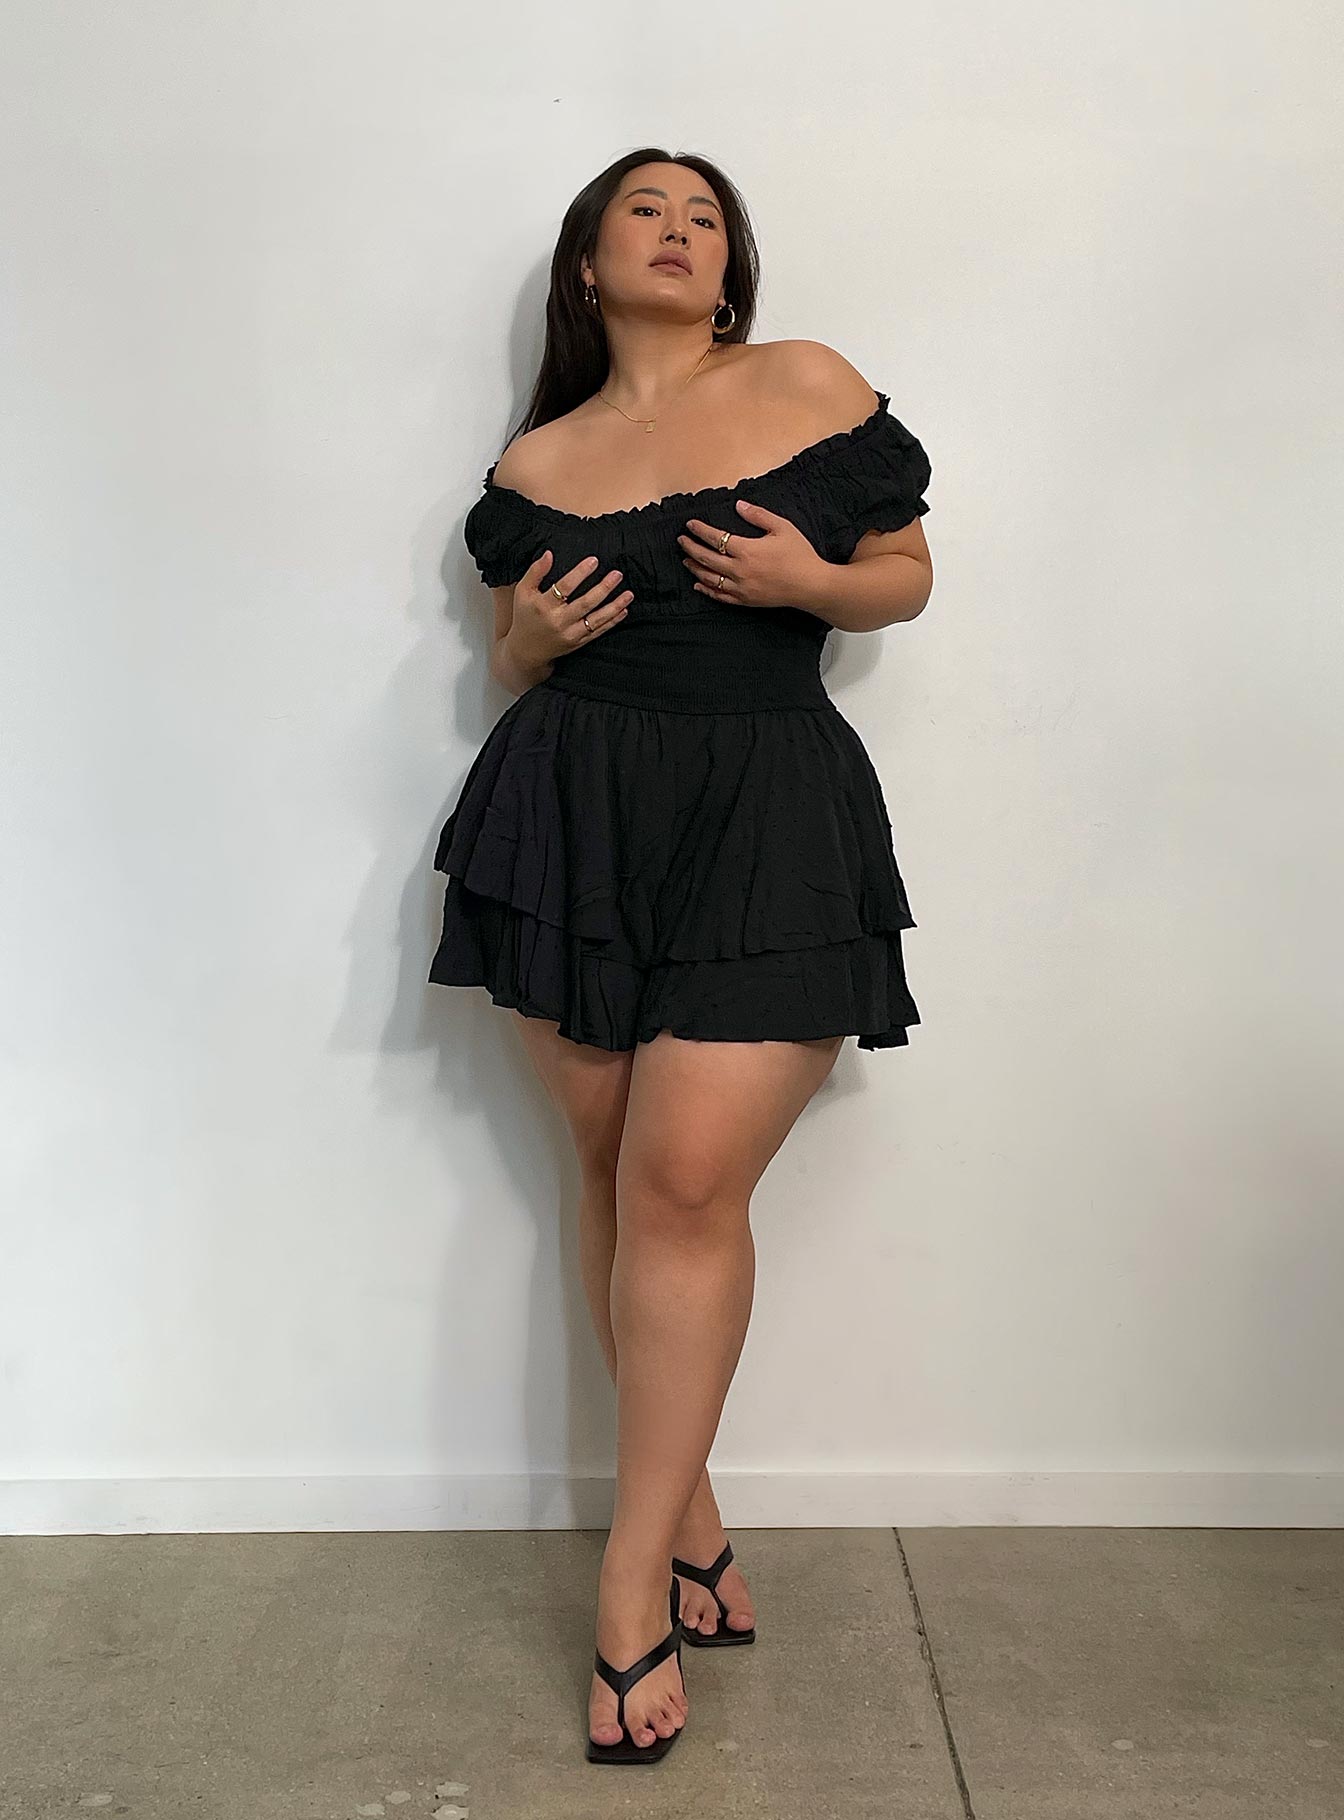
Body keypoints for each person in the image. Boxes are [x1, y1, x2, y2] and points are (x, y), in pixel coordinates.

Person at [428, 147, 933, 1764]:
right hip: (568, 820)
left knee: (686, 1184)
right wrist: (528, 640)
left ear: (731, 271)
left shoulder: (805, 382)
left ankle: (629, 1580)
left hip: (770, 814)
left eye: (705, 216)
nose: (677, 229)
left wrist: (812, 581)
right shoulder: (541, 455)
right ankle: (693, 1518)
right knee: (613, 1174)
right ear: (589, 265)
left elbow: (908, 575)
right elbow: (513, 656)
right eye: (643, 209)